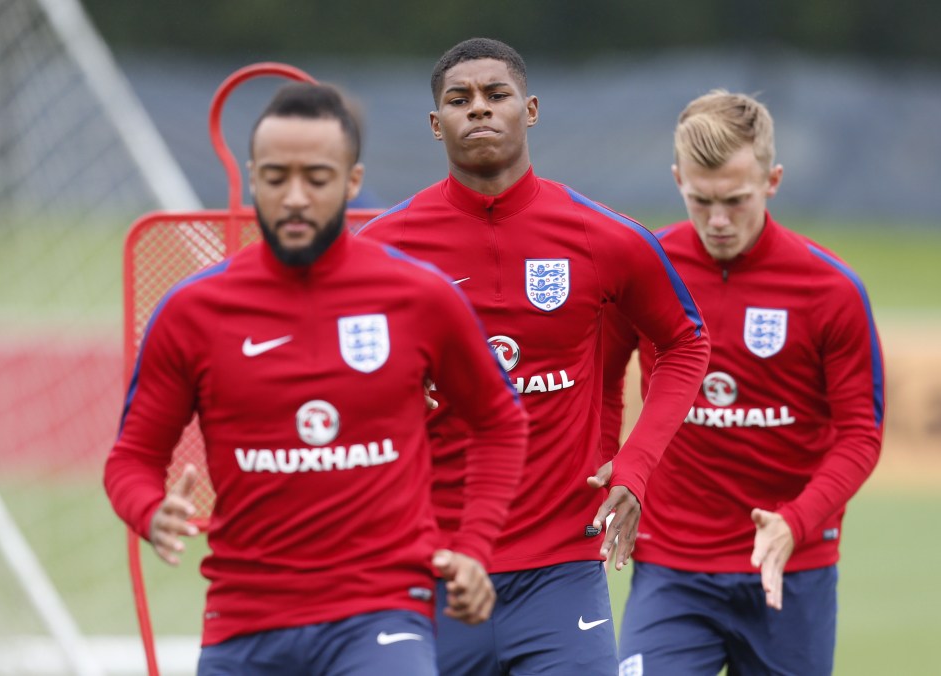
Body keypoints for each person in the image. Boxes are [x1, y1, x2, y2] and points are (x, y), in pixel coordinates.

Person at [103, 81, 529, 676]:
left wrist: (475, 547)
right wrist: (151, 510)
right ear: (253, 180)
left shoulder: (419, 295)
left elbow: (500, 422)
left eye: (317, 178)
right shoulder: (192, 311)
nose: (296, 197)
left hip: (381, 613)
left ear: (352, 183)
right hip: (245, 623)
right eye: (277, 178)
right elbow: (130, 459)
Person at [357, 38, 710, 675]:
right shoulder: (384, 248)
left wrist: (634, 466)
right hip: (430, 565)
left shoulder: (604, 236)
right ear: (437, 125)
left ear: (532, 109)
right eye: (460, 100)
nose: (480, 111)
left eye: (497, 95)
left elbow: (686, 341)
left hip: (561, 569)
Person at [601, 90, 885, 675]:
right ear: (678, 178)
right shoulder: (647, 266)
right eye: (700, 201)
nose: (719, 220)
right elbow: (598, 384)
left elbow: (861, 435)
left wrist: (796, 522)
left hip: (791, 568)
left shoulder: (831, 289)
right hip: (671, 567)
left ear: (773, 180)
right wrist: (610, 465)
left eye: (735, 200)